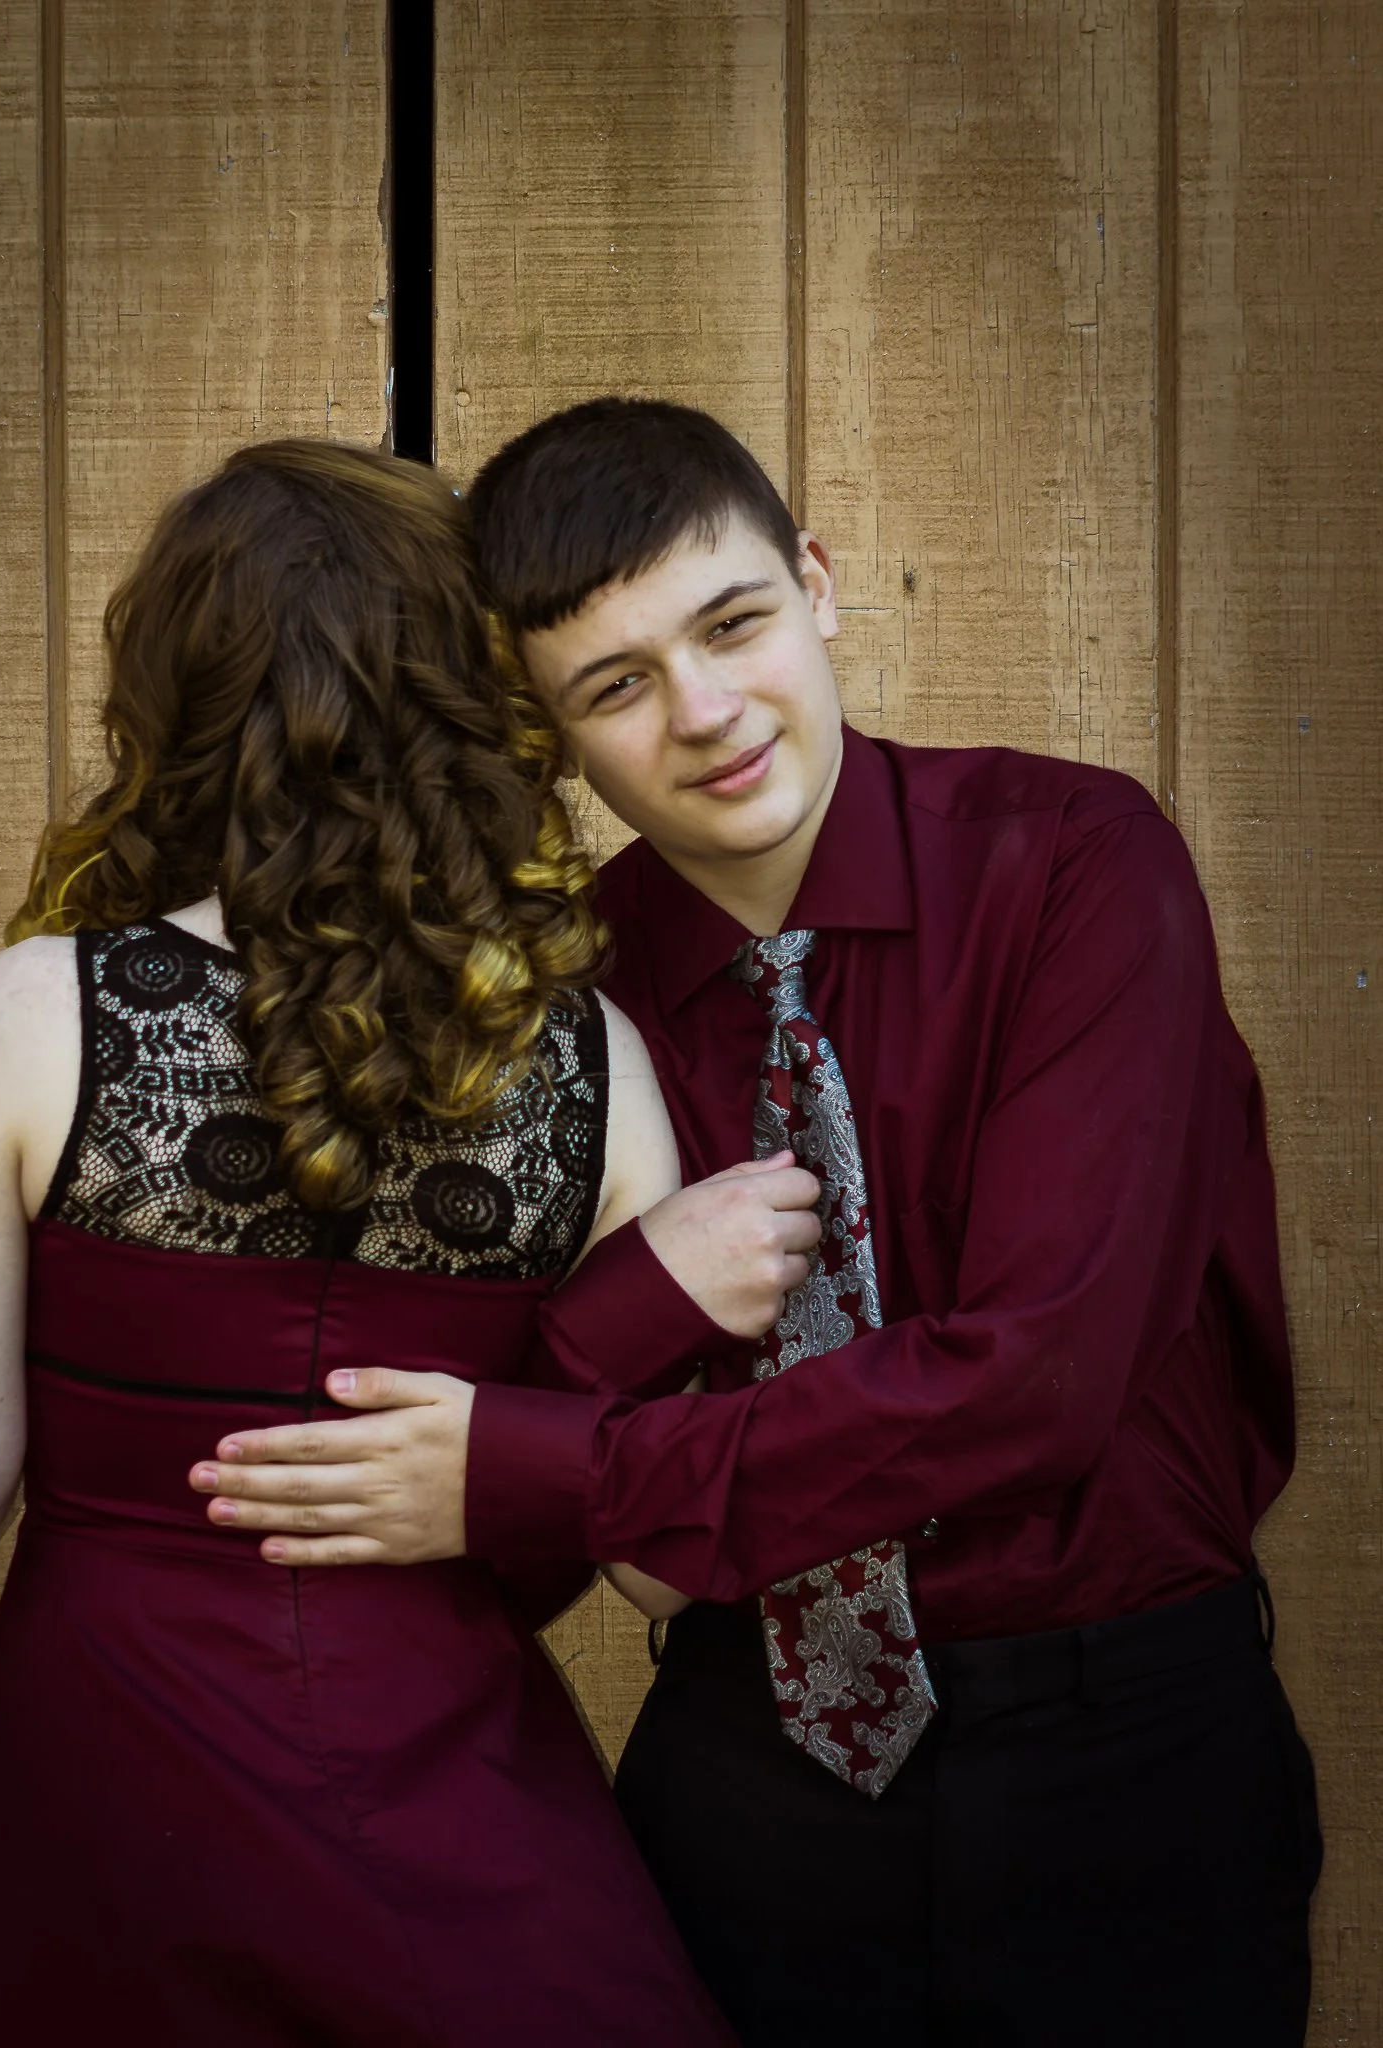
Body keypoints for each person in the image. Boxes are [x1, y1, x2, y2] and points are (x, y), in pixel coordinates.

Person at [200, 400, 1325, 2047]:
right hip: (746, 1778)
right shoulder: (553, 1014)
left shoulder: (1080, 866)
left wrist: (550, 1464)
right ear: (548, 734)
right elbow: (464, 1496)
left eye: (730, 625)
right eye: (614, 685)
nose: (706, 713)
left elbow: (1036, 1379)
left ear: (815, 580)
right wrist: (608, 1333)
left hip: (1124, 1755)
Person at [0, 438, 821, 2045]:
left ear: (174, 699)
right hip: (458, 1824)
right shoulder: (597, 1061)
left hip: (94, 1823)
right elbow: (650, 1563)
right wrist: (633, 1309)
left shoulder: (32, 1017)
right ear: (472, 694)